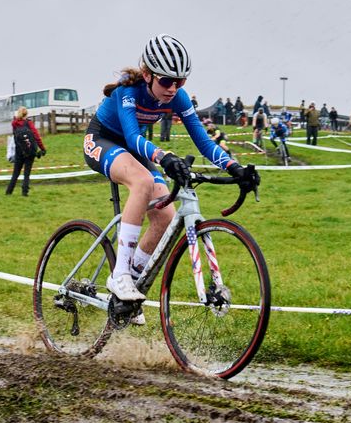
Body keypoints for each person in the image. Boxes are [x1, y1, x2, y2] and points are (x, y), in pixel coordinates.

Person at [85, 34, 260, 319]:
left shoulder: (177, 97)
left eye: (180, 82)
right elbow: (130, 135)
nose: (173, 88)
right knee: (141, 183)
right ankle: (119, 276)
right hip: (103, 140)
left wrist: (234, 167)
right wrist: (163, 157)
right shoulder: (127, 93)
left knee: (165, 215)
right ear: (147, 75)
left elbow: (203, 141)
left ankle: (130, 283)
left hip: (134, 149)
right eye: (166, 81)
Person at [5, 107, 46, 196]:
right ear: (26, 114)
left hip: (19, 150)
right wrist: (42, 148)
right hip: (30, 150)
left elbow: (15, 137)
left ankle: (9, 191)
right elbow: (36, 136)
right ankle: (24, 192)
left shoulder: (14, 124)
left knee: (15, 173)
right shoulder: (29, 123)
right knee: (26, 173)